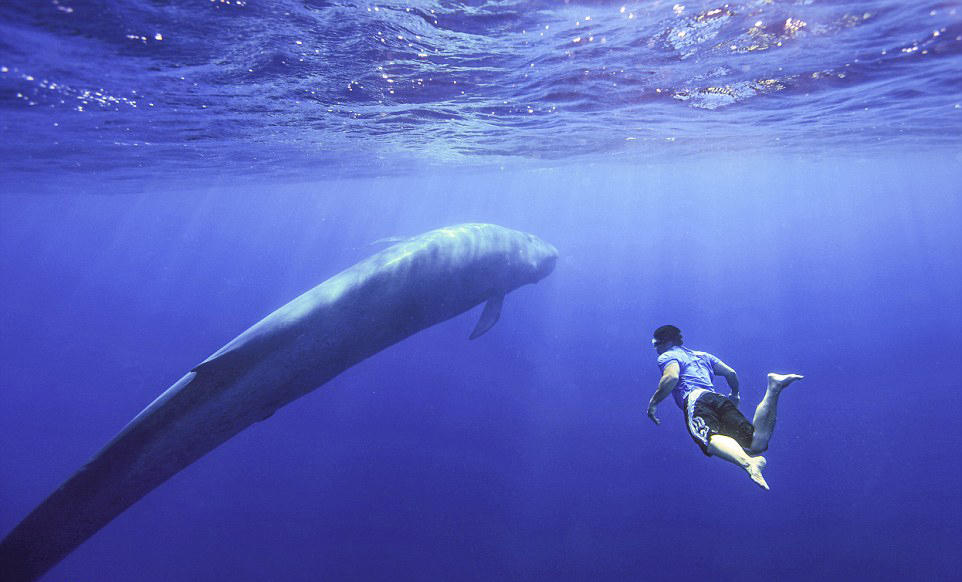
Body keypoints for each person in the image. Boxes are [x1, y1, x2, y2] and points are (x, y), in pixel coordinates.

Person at [646, 324, 802, 490]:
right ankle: (774, 388)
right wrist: (735, 395)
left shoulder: (667, 356)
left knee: (709, 439)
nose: (656, 349)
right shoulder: (702, 355)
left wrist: (653, 403)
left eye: (656, 344)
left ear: (667, 342)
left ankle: (750, 464)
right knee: (756, 444)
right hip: (717, 398)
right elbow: (731, 373)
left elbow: (671, 377)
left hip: (696, 399)